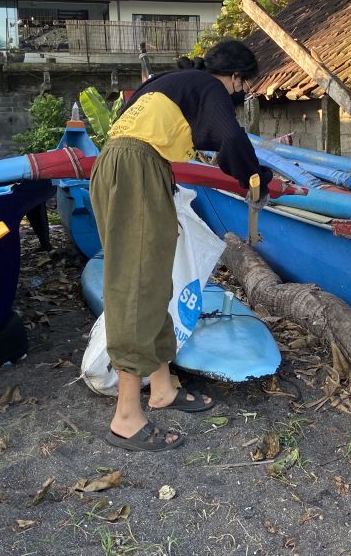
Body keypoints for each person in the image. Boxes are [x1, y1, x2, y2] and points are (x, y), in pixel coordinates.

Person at [90, 39, 273, 453]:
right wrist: (257, 179)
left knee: (155, 282)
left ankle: (161, 389)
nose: (240, 94)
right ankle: (125, 417)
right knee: (135, 285)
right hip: (137, 169)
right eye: (243, 87)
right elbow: (231, 137)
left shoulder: (166, 82)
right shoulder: (210, 86)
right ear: (237, 78)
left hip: (126, 167)